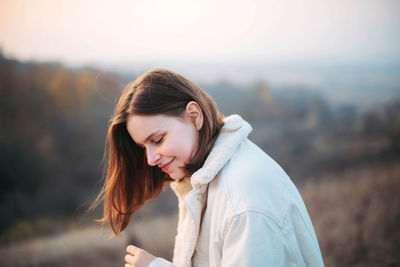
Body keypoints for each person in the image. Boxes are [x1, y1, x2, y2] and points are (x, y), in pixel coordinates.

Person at [94, 69, 324, 267]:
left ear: (194, 116)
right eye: (143, 147)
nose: (150, 159)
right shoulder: (203, 182)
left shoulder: (244, 200)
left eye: (158, 139)